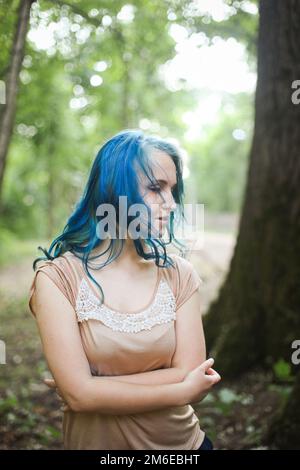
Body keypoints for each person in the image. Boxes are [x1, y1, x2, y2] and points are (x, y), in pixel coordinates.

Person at [28, 129, 221, 450]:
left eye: (173, 190)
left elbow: (191, 369)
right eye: (156, 188)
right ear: (113, 190)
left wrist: (93, 389)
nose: (171, 204)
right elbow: (79, 397)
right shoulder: (58, 277)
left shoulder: (180, 275)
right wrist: (180, 390)